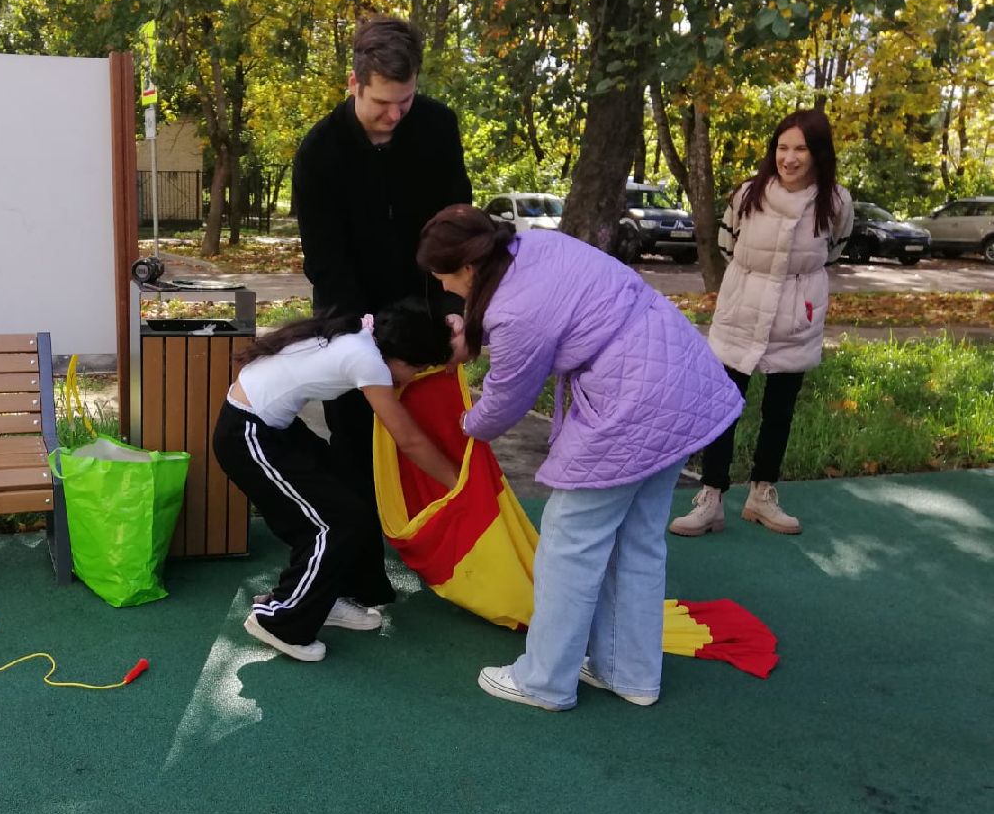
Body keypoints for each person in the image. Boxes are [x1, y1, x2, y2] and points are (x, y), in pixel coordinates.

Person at [416, 205, 743, 711]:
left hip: (631, 400)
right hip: (679, 378)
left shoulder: (510, 309)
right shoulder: (538, 245)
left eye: (446, 282)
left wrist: (464, 424)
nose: (448, 293)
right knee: (637, 541)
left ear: (468, 268)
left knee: (570, 543)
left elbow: (504, 403)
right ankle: (631, 673)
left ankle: (544, 680)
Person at [291, 14, 472, 568]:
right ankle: (358, 570)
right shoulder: (319, 153)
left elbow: (458, 225)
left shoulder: (438, 127)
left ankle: (445, 546)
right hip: (350, 318)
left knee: (436, 427)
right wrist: (363, 343)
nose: (395, 115)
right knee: (354, 442)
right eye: (382, 103)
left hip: (427, 312)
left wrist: (456, 311)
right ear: (354, 84)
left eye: (407, 100)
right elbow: (327, 264)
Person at [212, 302, 459, 663]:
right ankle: (282, 623)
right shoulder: (367, 359)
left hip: (274, 428)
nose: (410, 378)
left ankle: (324, 599)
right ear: (399, 355)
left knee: (349, 501)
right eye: (415, 368)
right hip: (248, 436)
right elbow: (408, 438)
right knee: (332, 523)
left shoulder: (363, 336)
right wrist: (458, 483)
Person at [670, 109, 853, 538]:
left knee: (780, 411)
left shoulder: (836, 201)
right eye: (782, 148)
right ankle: (711, 498)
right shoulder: (749, 194)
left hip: (795, 318)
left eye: (800, 149)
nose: (789, 158)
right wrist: (754, 287)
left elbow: (833, 252)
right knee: (723, 407)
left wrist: (795, 293)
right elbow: (728, 245)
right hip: (741, 314)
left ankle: (761, 495)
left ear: (818, 153)